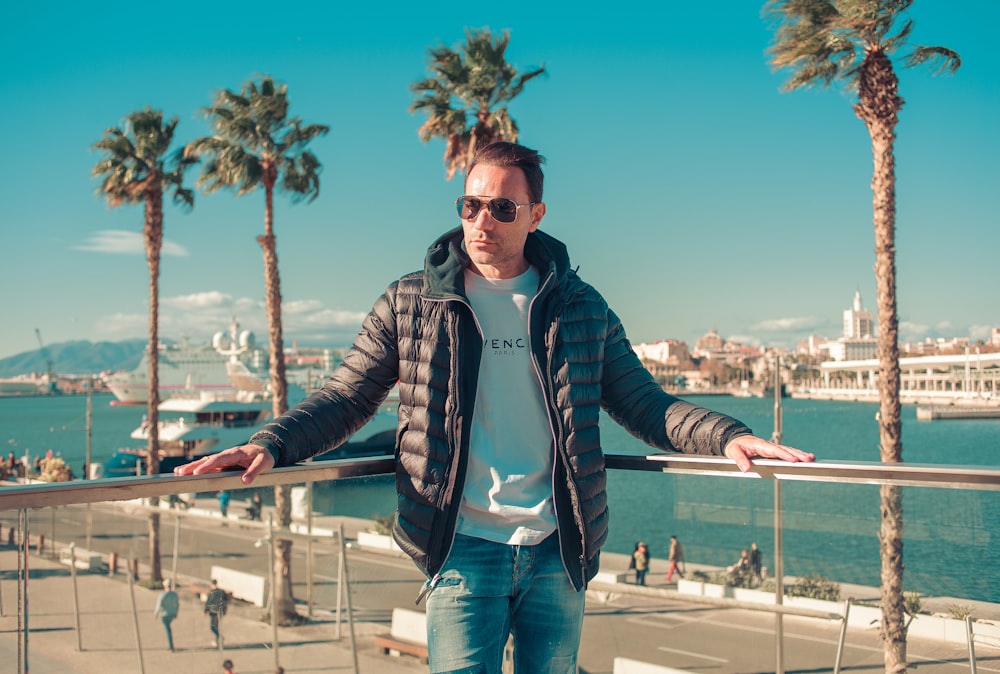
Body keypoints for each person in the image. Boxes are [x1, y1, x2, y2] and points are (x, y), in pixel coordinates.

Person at [175, 140, 815, 672]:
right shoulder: (409, 302)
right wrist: (271, 443)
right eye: (471, 205)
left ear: (536, 213)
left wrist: (728, 436)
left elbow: (644, 402)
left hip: (558, 548)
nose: (482, 221)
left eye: (501, 207)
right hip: (459, 546)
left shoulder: (580, 305)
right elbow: (346, 396)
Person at [153, 578, 180, 652]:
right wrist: (176, 612)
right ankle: (171, 645)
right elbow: (177, 604)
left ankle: (171, 646)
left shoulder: (162, 594)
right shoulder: (174, 594)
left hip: (165, 615)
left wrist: (156, 613)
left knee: (168, 630)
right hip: (172, 614)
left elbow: (159, 604)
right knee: (169, 629)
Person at [204, 579, 228, 648]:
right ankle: (217, 641)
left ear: (212, 585)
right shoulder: (221, 592)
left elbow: (208, 602)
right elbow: (225, 601)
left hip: (214, 612)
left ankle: (219, 638)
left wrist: (205, 611)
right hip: (219, 612)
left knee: (213, 627)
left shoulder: (212, 593)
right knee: (216, 626)